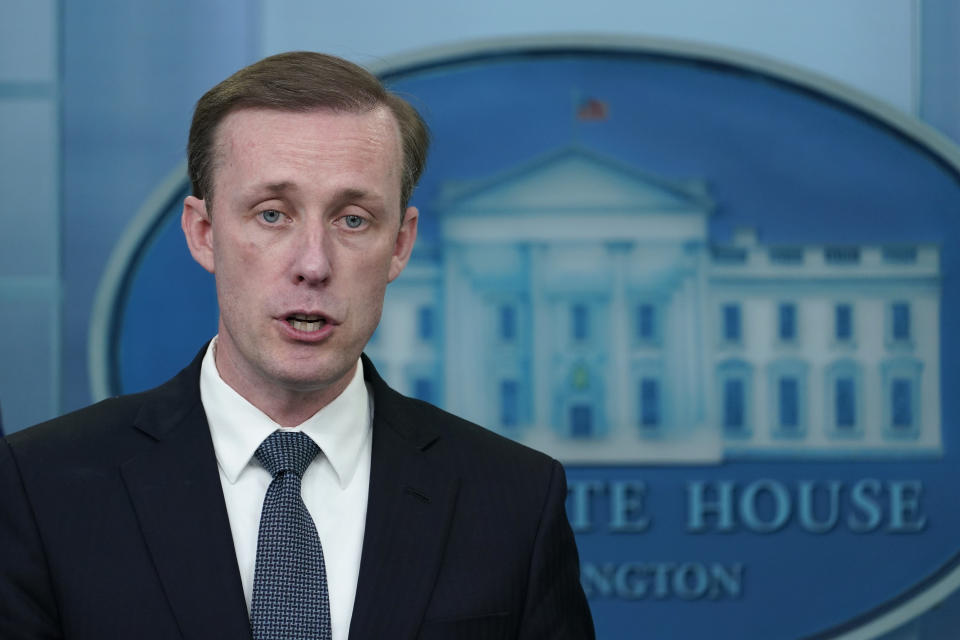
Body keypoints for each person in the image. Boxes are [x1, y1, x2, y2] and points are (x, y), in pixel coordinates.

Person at [0, 51, 595, 639]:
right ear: (204, 234)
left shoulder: (515, 499)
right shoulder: (40, 486)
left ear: (400, 245)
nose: (313, 264)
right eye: (272, 215)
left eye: (353, 219)